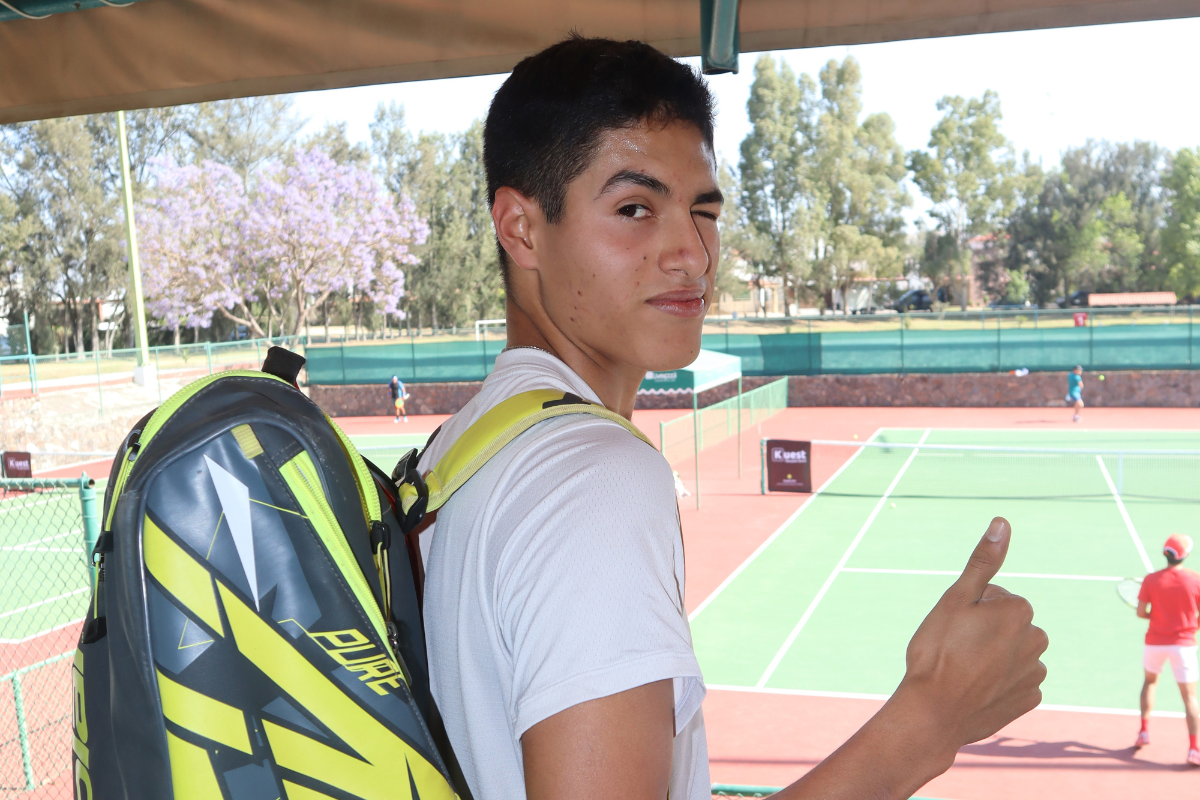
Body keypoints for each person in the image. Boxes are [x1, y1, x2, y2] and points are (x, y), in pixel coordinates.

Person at [418, 36, 1047, 800]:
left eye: (703, 210)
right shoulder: (594, 481)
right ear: (521, 229)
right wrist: (929, 722)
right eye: (634, 209)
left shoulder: (459, 450)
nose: (692, 252)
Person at [1135, 533, 1200, 765]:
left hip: (1155, 643)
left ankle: (1143, 731)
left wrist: (1159, 616)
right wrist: (1190, 625)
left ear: (1166, 554)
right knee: (1190, 697)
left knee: (1150, 682)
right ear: (1186, 555)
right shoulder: (1196, 579)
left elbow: (1141, 612)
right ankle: (1194, 749)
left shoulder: (1150, 580)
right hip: (1183, 645)